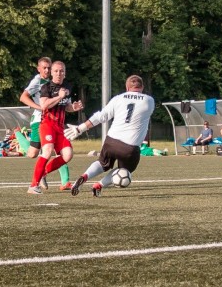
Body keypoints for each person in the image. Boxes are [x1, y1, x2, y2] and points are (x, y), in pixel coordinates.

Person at [65, 74, 156, 197]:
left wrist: (80, 128)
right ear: (142, 87)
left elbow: (100, 116)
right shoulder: (149, 100)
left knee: (102, 163)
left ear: (127, 87)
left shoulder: (118, 98)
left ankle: (84, 176)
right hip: (130, 147)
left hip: (111, 141)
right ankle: (99, 185)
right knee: (125, 171)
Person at [26, 61, 83, 194]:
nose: (59, 73)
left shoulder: (67, 86)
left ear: (65, 73)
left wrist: (73, 107)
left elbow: (66, 105)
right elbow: (44, 105)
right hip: (47, 124)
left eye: (62, 71)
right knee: (47, 150)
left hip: (60, 127)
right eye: (56, 71)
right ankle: (33, 185)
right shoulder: (46, 87)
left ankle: (43, 174)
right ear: (51, 73)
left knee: (68, 155)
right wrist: (59, 96)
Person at [18, 57, 72, 191]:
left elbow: (64, 103)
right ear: (38, 69)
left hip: (55, 122)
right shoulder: (38, 81)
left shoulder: (56, 80)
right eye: (44, 68)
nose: (47, 70)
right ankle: (18, 136)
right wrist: (39, 107)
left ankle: (64, 181)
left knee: (56, 151)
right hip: (40, 119)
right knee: (33, 153)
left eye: (49, 68)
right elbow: (23, 97)